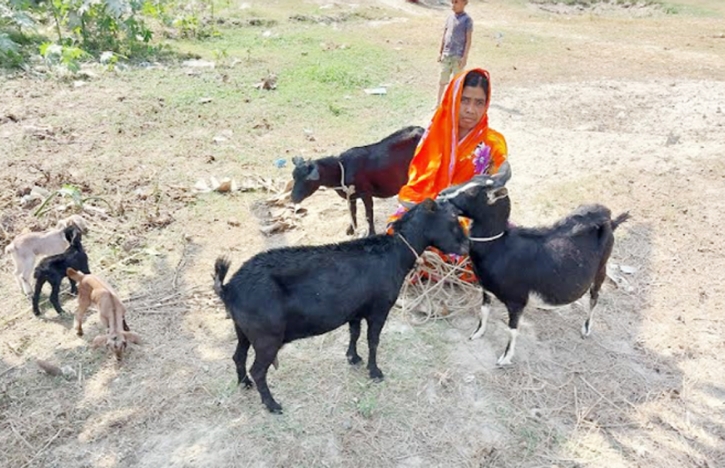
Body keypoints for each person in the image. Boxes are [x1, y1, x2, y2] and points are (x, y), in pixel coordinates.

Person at [387, 68, 509, 281]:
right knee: (395, 232)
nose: (471, 110)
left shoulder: (493, 143)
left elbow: (492, 194)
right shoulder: (434, 135)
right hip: (430, 207)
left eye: (479, 102)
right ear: (453, 99)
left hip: (466, 216)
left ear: (486, 104)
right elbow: (418, 182)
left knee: (483, 251)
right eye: (465, 100)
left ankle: (431, 264)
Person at [437, 0, 473, 107]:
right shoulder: (449, 18)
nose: (453, 5)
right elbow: (445, 35)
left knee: (457, 82)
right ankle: (438, 103)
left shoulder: (467, 20)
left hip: (458, 55)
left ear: (464, 3)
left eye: (456, 2)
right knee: (442, 79)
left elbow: (468, 40)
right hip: (446, 54)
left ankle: (454, 104)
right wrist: (440, 52)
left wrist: (465, 57)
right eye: (452, 2)